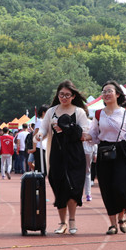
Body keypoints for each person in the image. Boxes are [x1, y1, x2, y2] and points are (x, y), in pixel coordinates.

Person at [87, 80, 126, 234]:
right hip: (104, 151)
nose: (106, 94)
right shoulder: (98, 114)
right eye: (104, 91)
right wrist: (80, 135)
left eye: (109, 91)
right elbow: (93, 134)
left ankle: (122, 217)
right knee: (107, 188)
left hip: (122, 151)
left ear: (117, 94)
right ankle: (112, 224)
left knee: (122, 187)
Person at [36, 80, 89, 235]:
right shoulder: (51, 112)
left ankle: (72, 220)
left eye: (67, 95)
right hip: (57, 154)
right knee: (59, 186)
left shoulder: (79, 112)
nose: (64, 97)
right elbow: (43, 129)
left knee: (73, 187)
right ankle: (62, 222)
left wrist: (68, 129)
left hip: (75, 154)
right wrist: (39, 135)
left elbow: (84, 132)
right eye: (61, 94)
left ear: (73, 96)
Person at [33, 105, 49, 174]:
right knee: (41, 168)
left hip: (44, 147)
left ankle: (40, 180)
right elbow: (35, 134)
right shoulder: (40, 121)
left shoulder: (45, 121)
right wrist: (34, 147)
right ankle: (40, 181)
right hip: (40, 147)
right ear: (43, 112)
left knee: (44, 168)